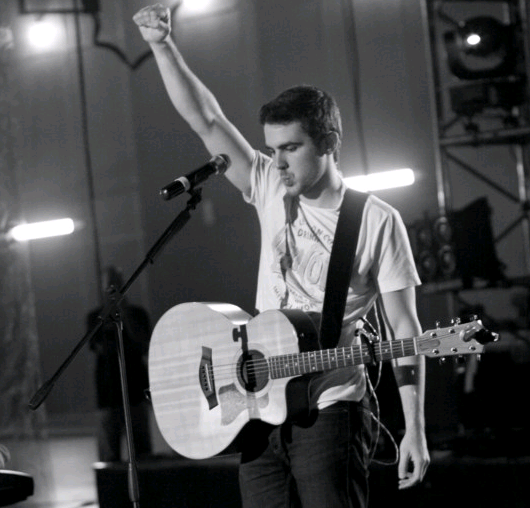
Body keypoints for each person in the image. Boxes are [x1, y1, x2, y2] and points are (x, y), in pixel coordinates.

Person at [133, 4, 430, 506]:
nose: (278, 163)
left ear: (328, 142)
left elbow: (406, 329)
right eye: (272, 149)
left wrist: (415, 429)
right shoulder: (269, 184)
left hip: (328, 405)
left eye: (290, 148)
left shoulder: (376, 220)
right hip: (257, 404)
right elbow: (206, 119)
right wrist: (162, 45)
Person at [87, 266, 152, 462]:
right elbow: (100, 347)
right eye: (109, 285)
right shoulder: (95, 318)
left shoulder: (138, 314)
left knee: (143, 455)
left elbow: (143, 344)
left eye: (116, 284)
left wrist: (125, 313)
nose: (112, 289)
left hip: (136, 393)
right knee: (109, 458)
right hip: (108, 395)